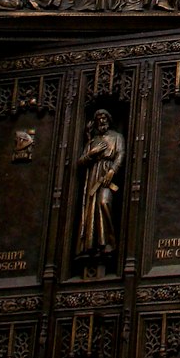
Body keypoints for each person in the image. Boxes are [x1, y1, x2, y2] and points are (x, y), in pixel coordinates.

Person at [77, 109, 125, 257]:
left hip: (107, 174)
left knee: (104, 203)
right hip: (93, 176)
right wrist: (91, 153)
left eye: (104, 118)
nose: (102, 120)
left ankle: (109, 243)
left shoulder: (117, 137)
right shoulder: (93, 140)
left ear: (109, 120)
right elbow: (80, 162)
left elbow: (120, 154)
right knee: (91, 208)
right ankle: (93, 244)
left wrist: (112, 171)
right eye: (99, 118)